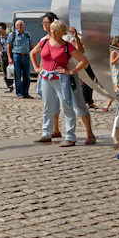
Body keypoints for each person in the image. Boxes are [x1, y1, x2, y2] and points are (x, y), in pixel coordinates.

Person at [40, 14, 97, 144]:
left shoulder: (66, 38)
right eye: (44, 23)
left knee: (76, 104)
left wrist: (71, 72)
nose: (46, 25)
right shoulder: (44, 40)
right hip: (49, 76)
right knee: (51, 105)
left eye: (48, 22)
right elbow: (43, 58)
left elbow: (80, 53)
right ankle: (54, 131)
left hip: (68, 76)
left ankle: (89, 133)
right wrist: (40, 72)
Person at [30, 19, 89, 147]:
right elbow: (33, 53)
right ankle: (46, 134)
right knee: (47, 106)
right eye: (52, 29)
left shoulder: (67, 46)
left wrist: (70, 71)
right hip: (46, 78)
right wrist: (36, 68)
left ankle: (70, 136)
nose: (53, 32)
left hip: (60, 79)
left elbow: (84, 61)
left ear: (63, 32)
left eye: (56, 30)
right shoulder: (44, 42)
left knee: (67, 107)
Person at [8, 20, 35, 98]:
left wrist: (34, 55)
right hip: (17, 56)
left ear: (24, 26)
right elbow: (8, 47)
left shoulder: (27, 34)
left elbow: (31, 46)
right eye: (17, 25)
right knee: (18, 76)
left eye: (20, 25)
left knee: (27, 76)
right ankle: (19, 93)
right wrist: (10, 57)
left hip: (26, 56)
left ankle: (26, 93)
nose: (19, 27)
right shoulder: (12, 35)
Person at [104, 35, 119, 111]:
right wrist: (118, 57)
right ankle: (108, 103)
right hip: (118, 70)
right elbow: (112, 62)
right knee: (118, 88)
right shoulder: (114, 52)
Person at [0, 23, 13, 93]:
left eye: (0, 29)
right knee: (4, 71)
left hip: (9, 54)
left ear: (4, 29)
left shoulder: (9, 37)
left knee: (11, 70)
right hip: (2, 54)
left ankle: (12, 84)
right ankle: (9, 86)